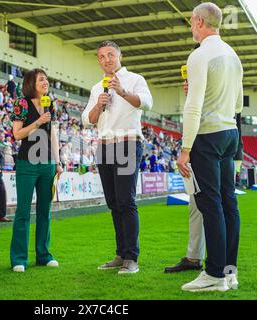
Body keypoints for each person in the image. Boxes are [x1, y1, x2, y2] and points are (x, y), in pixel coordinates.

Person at [176, 3, 243, 292]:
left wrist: (185, 147)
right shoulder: (232, 54)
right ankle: (229, 272)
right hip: (230, 132)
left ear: (201, 21)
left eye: (192, 21)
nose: (191, 26)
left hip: (207, 135)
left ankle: (214, 273)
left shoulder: (200, 54)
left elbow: (193, 106)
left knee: (210, 204)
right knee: (229, 203)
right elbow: (239, 103)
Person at [82, 40, 153, 274]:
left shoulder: (135, 79)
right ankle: (121, 253)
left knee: (126, 201)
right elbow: (87, 119)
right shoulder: (96, 89)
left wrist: (121, 91)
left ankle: (132, 257)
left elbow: (147, 103)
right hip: (104, 146)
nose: (106, 60)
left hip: (127, 144)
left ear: (119, 55)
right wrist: (98, 105)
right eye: (101, 56)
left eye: (110, 55)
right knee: (113, 203)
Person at [10, 68, 63, 272]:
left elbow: (53, 135)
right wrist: (38, 122)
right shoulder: (21, 103)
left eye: (46, 79)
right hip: (27, 164)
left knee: (45, 212)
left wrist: (58, 162)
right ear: (31, 83)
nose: (46, 82)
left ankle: (44, 255)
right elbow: (17, 134)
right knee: (23, 212)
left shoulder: (49, 102)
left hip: (47, 164)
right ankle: (18, 259)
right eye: (41, 79)